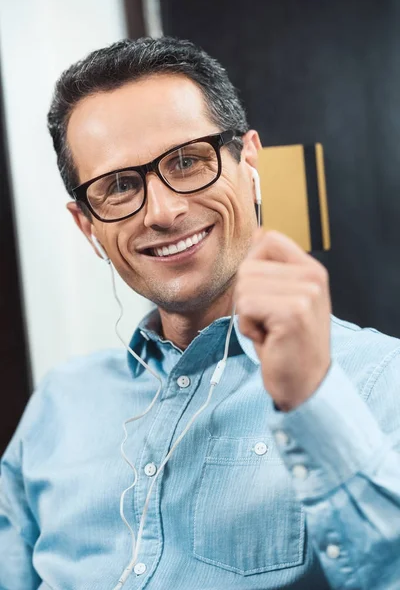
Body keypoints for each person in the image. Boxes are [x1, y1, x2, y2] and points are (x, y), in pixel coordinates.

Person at [1, 37, 400, 590]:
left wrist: (313, 400)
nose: (163, 212)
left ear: (250, 161)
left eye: (188, 161)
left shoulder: (382, 382)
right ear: (87, 225)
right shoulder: (59, 403)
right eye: (118, 187)